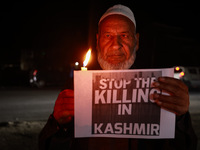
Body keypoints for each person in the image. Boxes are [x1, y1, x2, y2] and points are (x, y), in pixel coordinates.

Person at [39, 4, 197, 150]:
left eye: (125, 36)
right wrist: (58, 125)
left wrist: (180, 118)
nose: (116, 45)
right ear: (97, 41)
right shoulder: (76, 87)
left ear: (137, 41)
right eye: (108, 36)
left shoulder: (157, 87)